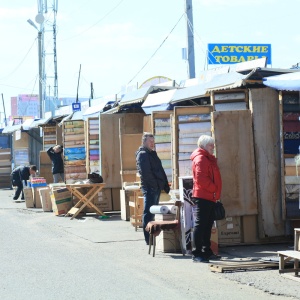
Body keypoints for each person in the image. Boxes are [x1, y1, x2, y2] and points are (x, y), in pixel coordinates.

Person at [190, 135, 222, 263]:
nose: (213, 147)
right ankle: (197, 253)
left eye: (213, 145)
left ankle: (206, 251)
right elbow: (201, 179)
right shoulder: (201, 159)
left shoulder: (207, 158)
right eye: (210, 145)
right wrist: (214, 188)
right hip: (204, 195)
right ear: (203, 146)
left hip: (208, 195)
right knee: (201, 225)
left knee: (207, 225)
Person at [136, 132, 170, 245]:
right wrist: (155, 185)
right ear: (144, 142)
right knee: (148, 213)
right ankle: (148, 238)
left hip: (156, 187)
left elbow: (160, 169)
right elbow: (146, 174)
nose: (152, 144)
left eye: (153, 142)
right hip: (150, 188)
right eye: (150, 142)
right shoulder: (143, 154)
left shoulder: (152, 153)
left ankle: (152, 236)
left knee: (152, 213)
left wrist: (165, 184)